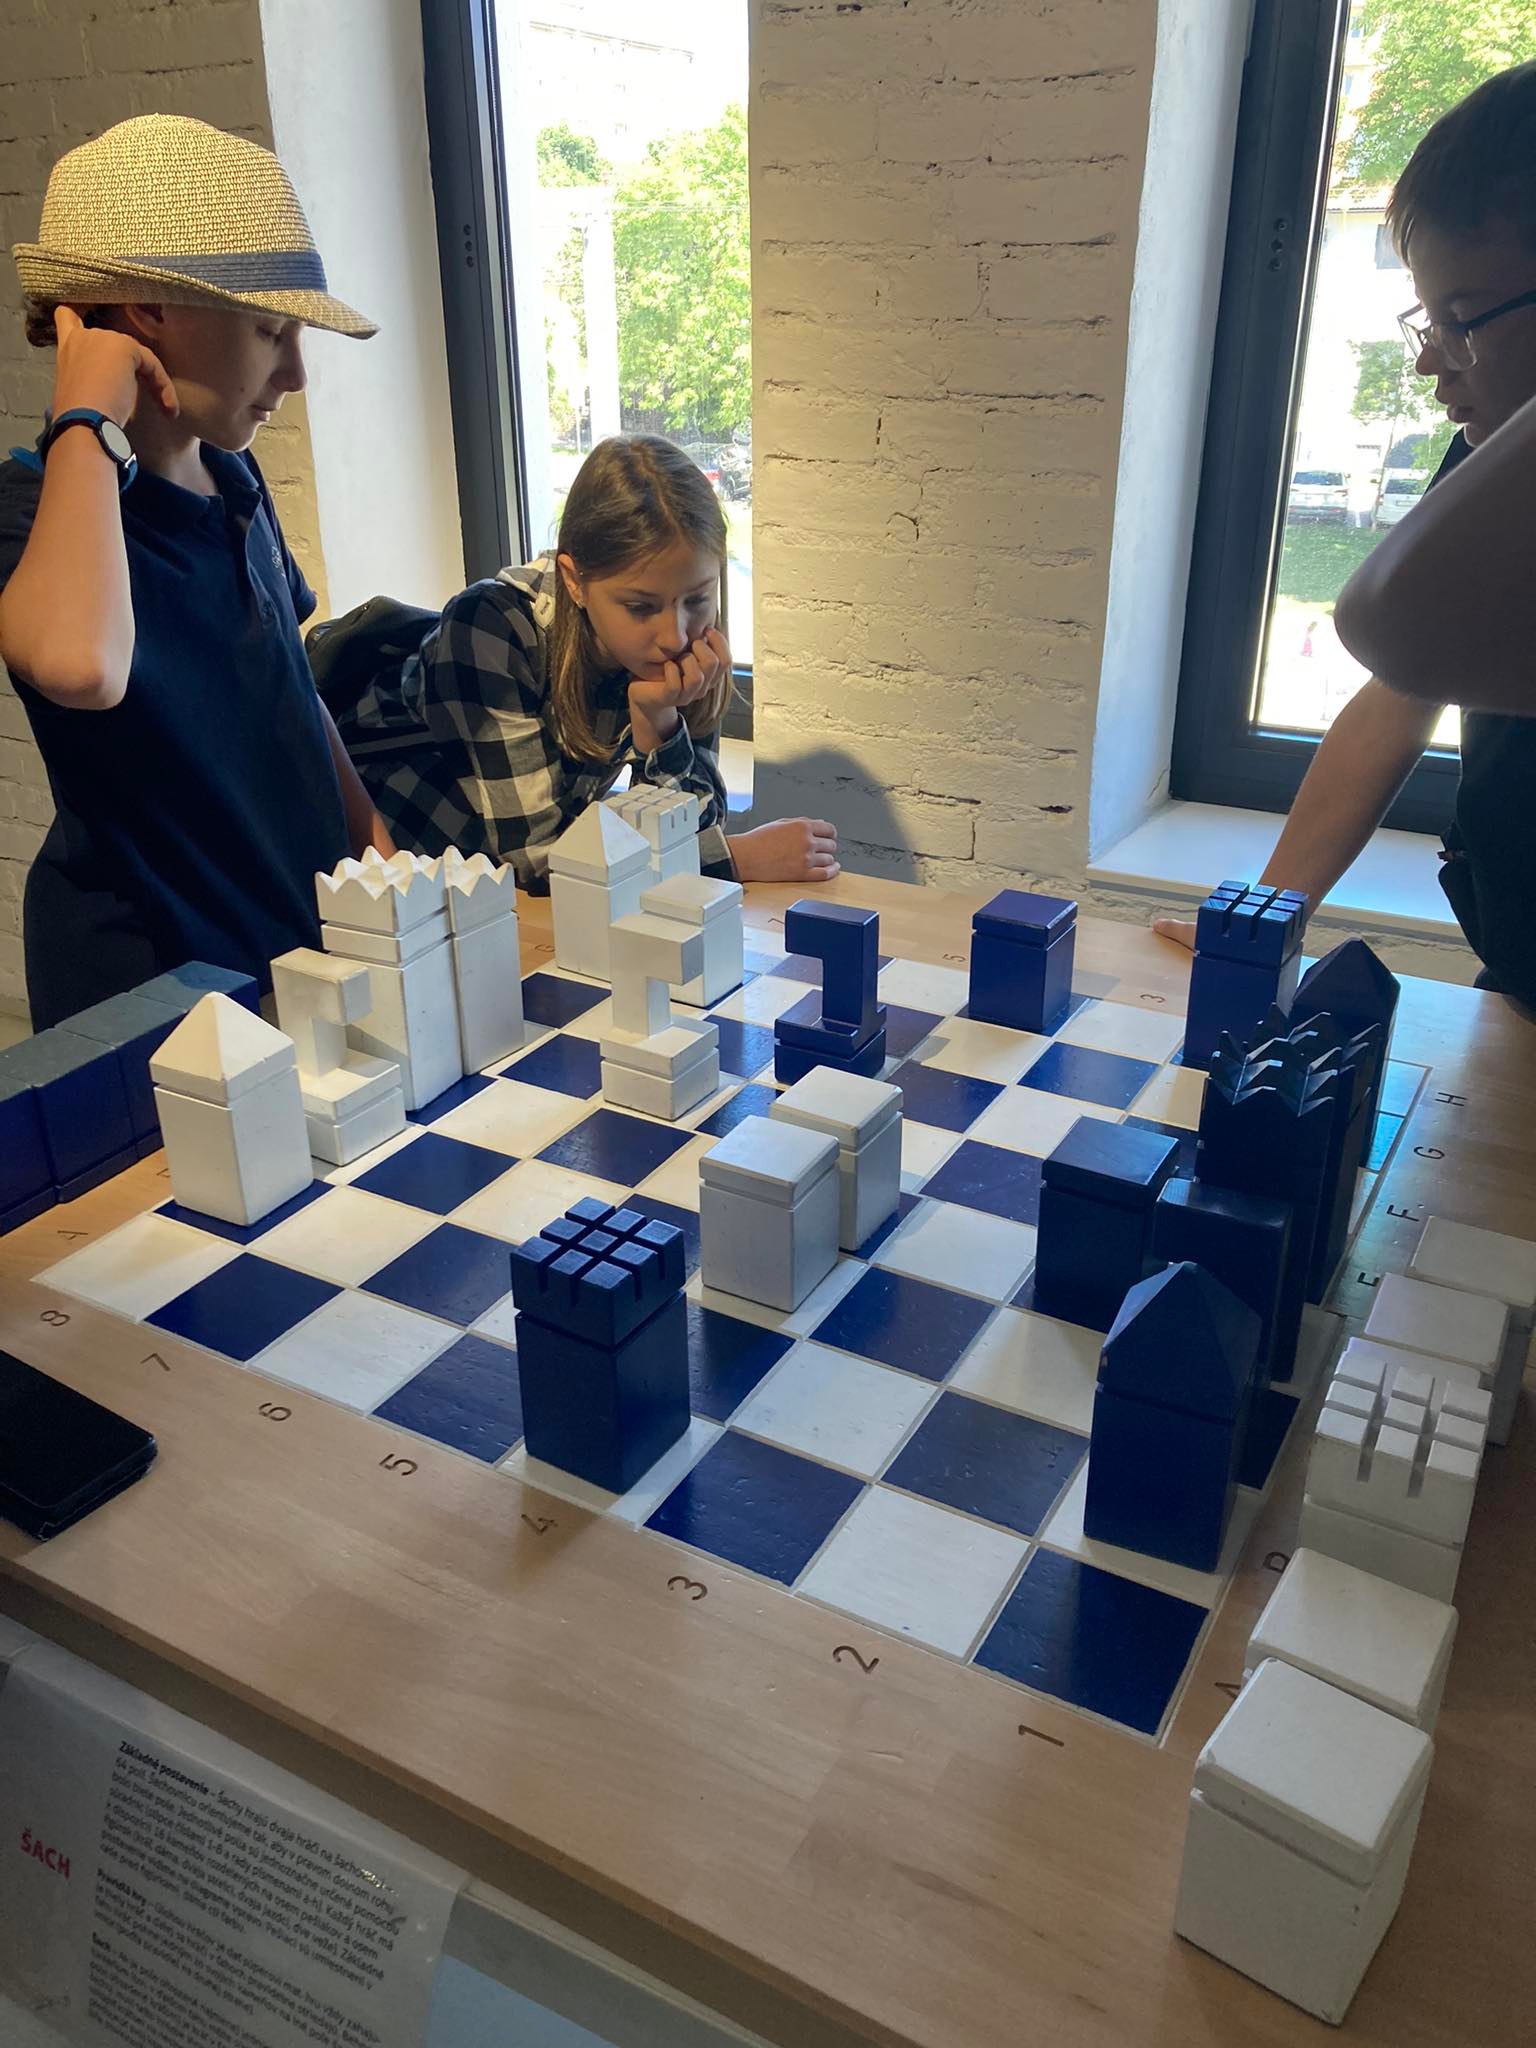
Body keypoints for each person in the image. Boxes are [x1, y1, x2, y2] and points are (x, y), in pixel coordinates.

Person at [1154, 63, 1536, 1008]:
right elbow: (1399, 692)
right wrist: (1266, 916)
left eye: (1461, 320)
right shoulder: (1491, 452)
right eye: (1426, 318)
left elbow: (1386, 619)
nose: (1431, 362)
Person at [0, 115, 392, 1030]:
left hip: (288, 946)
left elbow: (290, 689)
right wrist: (87, 415)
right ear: (148, 312)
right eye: (270, 330)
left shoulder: (236, 478)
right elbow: (82, 667)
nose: (296, 373)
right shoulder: (31, 507)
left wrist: (376, 848)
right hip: (157, 995)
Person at [331, 433, 839, 888]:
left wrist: (658, 724)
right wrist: (734, 859)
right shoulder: (490, 628)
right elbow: (539, 857)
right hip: (379, 887)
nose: (676, 635)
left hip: (488, 896)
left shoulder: (689, 646)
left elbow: (692, 827)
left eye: (698, 598)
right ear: (574, 581)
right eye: (640, 607)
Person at [1333, 385, 1536, 713]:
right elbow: (1404, 683)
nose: (1426, 365)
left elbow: (1393, 618)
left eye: (1466, 357)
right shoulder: (1477, 439)